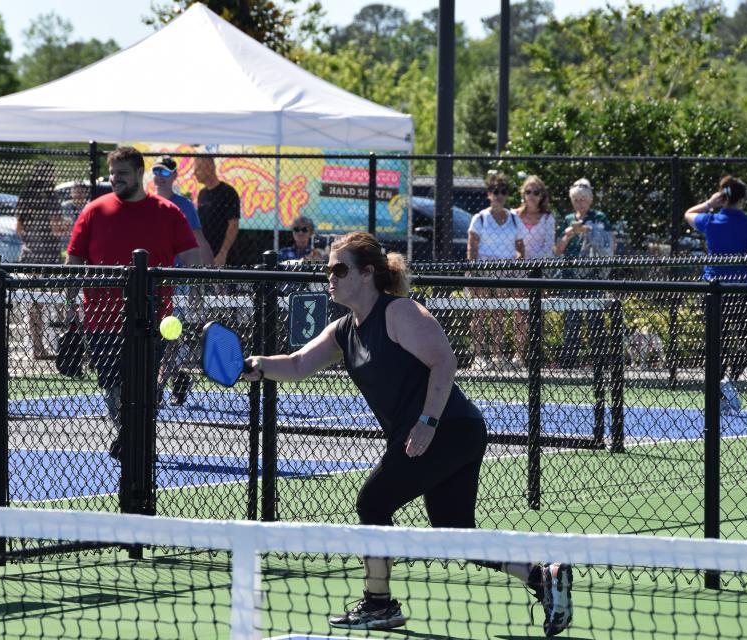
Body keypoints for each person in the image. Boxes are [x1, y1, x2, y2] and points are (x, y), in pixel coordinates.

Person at [241, 232, 572, 635]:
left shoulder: (399, 313)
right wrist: (254, 363)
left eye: (339, 269)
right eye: (328, 269)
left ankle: (379, 603)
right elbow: (295, 365)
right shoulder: (343, 331)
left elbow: (444, 363)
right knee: (456, 534)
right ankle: (545, 578)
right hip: (440, 432)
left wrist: (427, 422)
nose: (331, 276)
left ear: (366, 274)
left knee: (373, 502)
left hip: (449, 428)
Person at [66, 147, 200, 458]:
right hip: (101, 319)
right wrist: (70, 303)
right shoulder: (94, 211)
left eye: (122, 174)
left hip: (152, 320)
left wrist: (192, 291)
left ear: (139, 174)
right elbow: (73, 260)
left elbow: (193, 260)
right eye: (112, 174)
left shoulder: (168, 212)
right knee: (114, 386)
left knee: (143, 387)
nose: (115, 179)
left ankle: (132, 439)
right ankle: (132, 436)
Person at [684, 175, 747, 414]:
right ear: (742, 198)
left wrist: (709, 203)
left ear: (723, 196)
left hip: (712, 289)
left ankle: (719, 389)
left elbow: (688, 214)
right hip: (740, 291)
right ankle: (730, 380)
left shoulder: (711, 220)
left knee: (715, 344)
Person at [151, 154, 213, 406]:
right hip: (149, 280)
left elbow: (198, 242)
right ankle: (176, 378)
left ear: (175, 176)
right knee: (153, 336)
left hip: (177, 282)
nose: (160, 176)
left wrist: (203, 279)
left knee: (170, 336)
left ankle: (158, 385)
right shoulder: (145, 203)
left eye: (165, 172)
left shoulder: (184, 206)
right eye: (156, 171)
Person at [466, 173, 526, 370]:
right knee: (480, 313)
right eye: (495, 191)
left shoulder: (515, 219)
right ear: (489, 194)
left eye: (503, 192)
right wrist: (473, 271)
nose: (499, 196)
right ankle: (479, 357)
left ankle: (498, 357)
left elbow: (520, 247)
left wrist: (516, 261)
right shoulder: (480, 218)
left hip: (506, 271)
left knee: (499, 313)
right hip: (482, 270)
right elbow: (472, 246)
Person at [554, 179, 614, 369]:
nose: (579, 203)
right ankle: (569, 361)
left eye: (583, 199)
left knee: (595, 318)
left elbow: (610, 243)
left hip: (594, 274)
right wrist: (570, 233)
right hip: (570, 274)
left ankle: (600, 361)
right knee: (572, 319)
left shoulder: (599, 218)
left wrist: (589, 230)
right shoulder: (568, 220)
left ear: (590, 200)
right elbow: (558, 249)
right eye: (576, 199)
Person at [17, 161, 70, 359]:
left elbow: (19, 230)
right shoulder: (50, 197)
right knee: (61, 298)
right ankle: (65, 345)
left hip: (29, 254)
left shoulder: (26, 197)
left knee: (35, 302)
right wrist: (69, 226)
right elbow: (57, 229)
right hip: (48, 256)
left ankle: (38, 347)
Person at [513, 175, 557, 368]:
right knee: (518, 313)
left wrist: (532, 263)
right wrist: (519, 263)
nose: (531, 196)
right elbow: (511, 241)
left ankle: (535, 355)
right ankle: (517, 355)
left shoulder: (548, 218)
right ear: (523, 194)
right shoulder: (513, 215)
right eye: (528, 192)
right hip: (517, 270)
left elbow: (548, 246)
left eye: (536, 192)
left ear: (542, 195)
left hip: (539, 272)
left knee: (536, 313)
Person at [194, 156, 240, 266]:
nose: (195, 172)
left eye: (198, 168)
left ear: (209, 167)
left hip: (225, 257)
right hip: (206, 255)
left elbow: (233, 226)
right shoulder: (202, 194)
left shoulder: (228, 192)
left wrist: (222, 253)